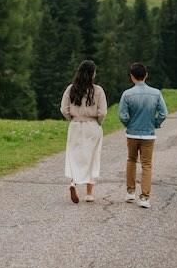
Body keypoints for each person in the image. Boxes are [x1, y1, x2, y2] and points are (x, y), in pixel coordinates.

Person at [118, 62, 168, 208]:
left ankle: (130, 192)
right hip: (148, 134)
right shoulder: (156, 93)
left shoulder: (127, 94)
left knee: (131, 160)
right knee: (146, 164)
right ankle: (145, 197)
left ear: (132, 77)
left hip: (132, 134)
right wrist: (155, 123)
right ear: (146, 75)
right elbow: (163, 113)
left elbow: (122, 115)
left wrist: (129, 124)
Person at [60, 59, 107, 203]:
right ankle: (89, 193)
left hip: (75, 125)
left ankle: (73, 183)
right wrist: (98, 122)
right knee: (92, 157)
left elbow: (64, 109)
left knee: (74, 156)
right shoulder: (98, 90)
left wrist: (72, 119)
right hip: (92, 126)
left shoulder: (70, 89)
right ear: (93, 74)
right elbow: (103, 112)